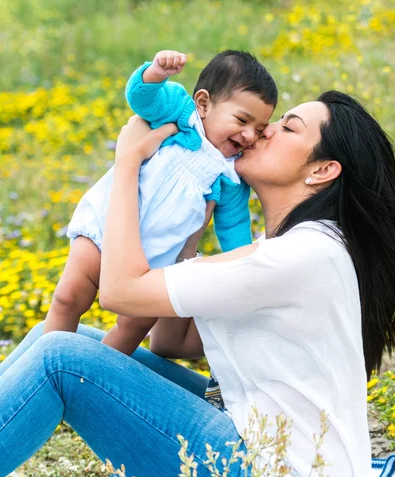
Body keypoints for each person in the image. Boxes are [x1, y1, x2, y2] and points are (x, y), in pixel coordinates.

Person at [0, 91, 395, 477]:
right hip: (255, 439)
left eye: (289, 127)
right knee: (64, 337)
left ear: (321, 171)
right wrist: (193, 216)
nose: (266, 130)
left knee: (60, 359)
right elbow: (171, 344)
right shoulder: (295, 246)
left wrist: (129, 162)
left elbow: (121, 292)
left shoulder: (298, 256)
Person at [43, 49, 277, 356]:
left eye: (258, 130)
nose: (248, 135)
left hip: (155, 261)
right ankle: (43, 362)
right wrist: (156, 72)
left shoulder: (229, 173)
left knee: (136, 325)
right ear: (204, 103)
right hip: (105, 229)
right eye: (242, 120)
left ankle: (90, 374)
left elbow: (234, 225)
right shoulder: (180, 113)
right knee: (69, 298)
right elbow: (141, 98)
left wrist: (245, 264)